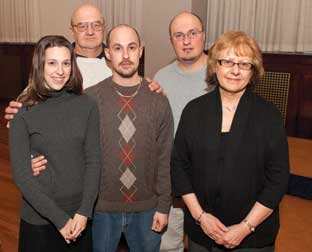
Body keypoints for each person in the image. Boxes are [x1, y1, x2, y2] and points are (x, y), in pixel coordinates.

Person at [4, 2, 161, 172]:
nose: (90, 31)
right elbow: (24, 113)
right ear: (72, 29)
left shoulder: (119, 61)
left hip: (115, 156)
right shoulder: (58, 66)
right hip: (68, 161)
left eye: (96, 25)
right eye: (82, 26)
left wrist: (153, 89)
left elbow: (139, 91)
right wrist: (29, 156)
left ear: (103, 27)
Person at [171, 31, 290, 252]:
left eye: (244, 64)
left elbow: (278, 180)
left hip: (253, 238)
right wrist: (201, 217)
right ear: (215, 66)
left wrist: (245, 227)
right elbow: (179, 167)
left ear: (253, 71)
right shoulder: (194, 110)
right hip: (201, 233)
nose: (235, 70)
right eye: (227, 62)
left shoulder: (269, 115)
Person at [84, 24, 173, 252]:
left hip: (147, 209)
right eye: (117, 48)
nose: (125, 55)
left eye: (131, 47)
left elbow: (165, 158)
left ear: (140, 51)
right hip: (101, 208)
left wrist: (163, 206)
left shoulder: (158, 101)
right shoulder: (90, 99)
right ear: (107, 53)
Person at [9, 35, 101, 251]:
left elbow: (94, 161)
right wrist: (60, 220)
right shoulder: (22, 110)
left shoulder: (87, 105)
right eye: (52, 63)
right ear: (39, 65)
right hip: (39, 218)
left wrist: (85, 211)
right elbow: (22, 176)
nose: (60, 71)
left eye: (66, 63)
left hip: (79, 216)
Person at [154, 12, 212, 252]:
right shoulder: (161, 77)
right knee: (168, 246)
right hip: (173, 183)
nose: (186, 41)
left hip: (210, 182)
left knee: (208, 243)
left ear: (203, 37)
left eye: (192, 33)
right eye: (179, 35)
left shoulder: (221, 74)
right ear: (172, 41)